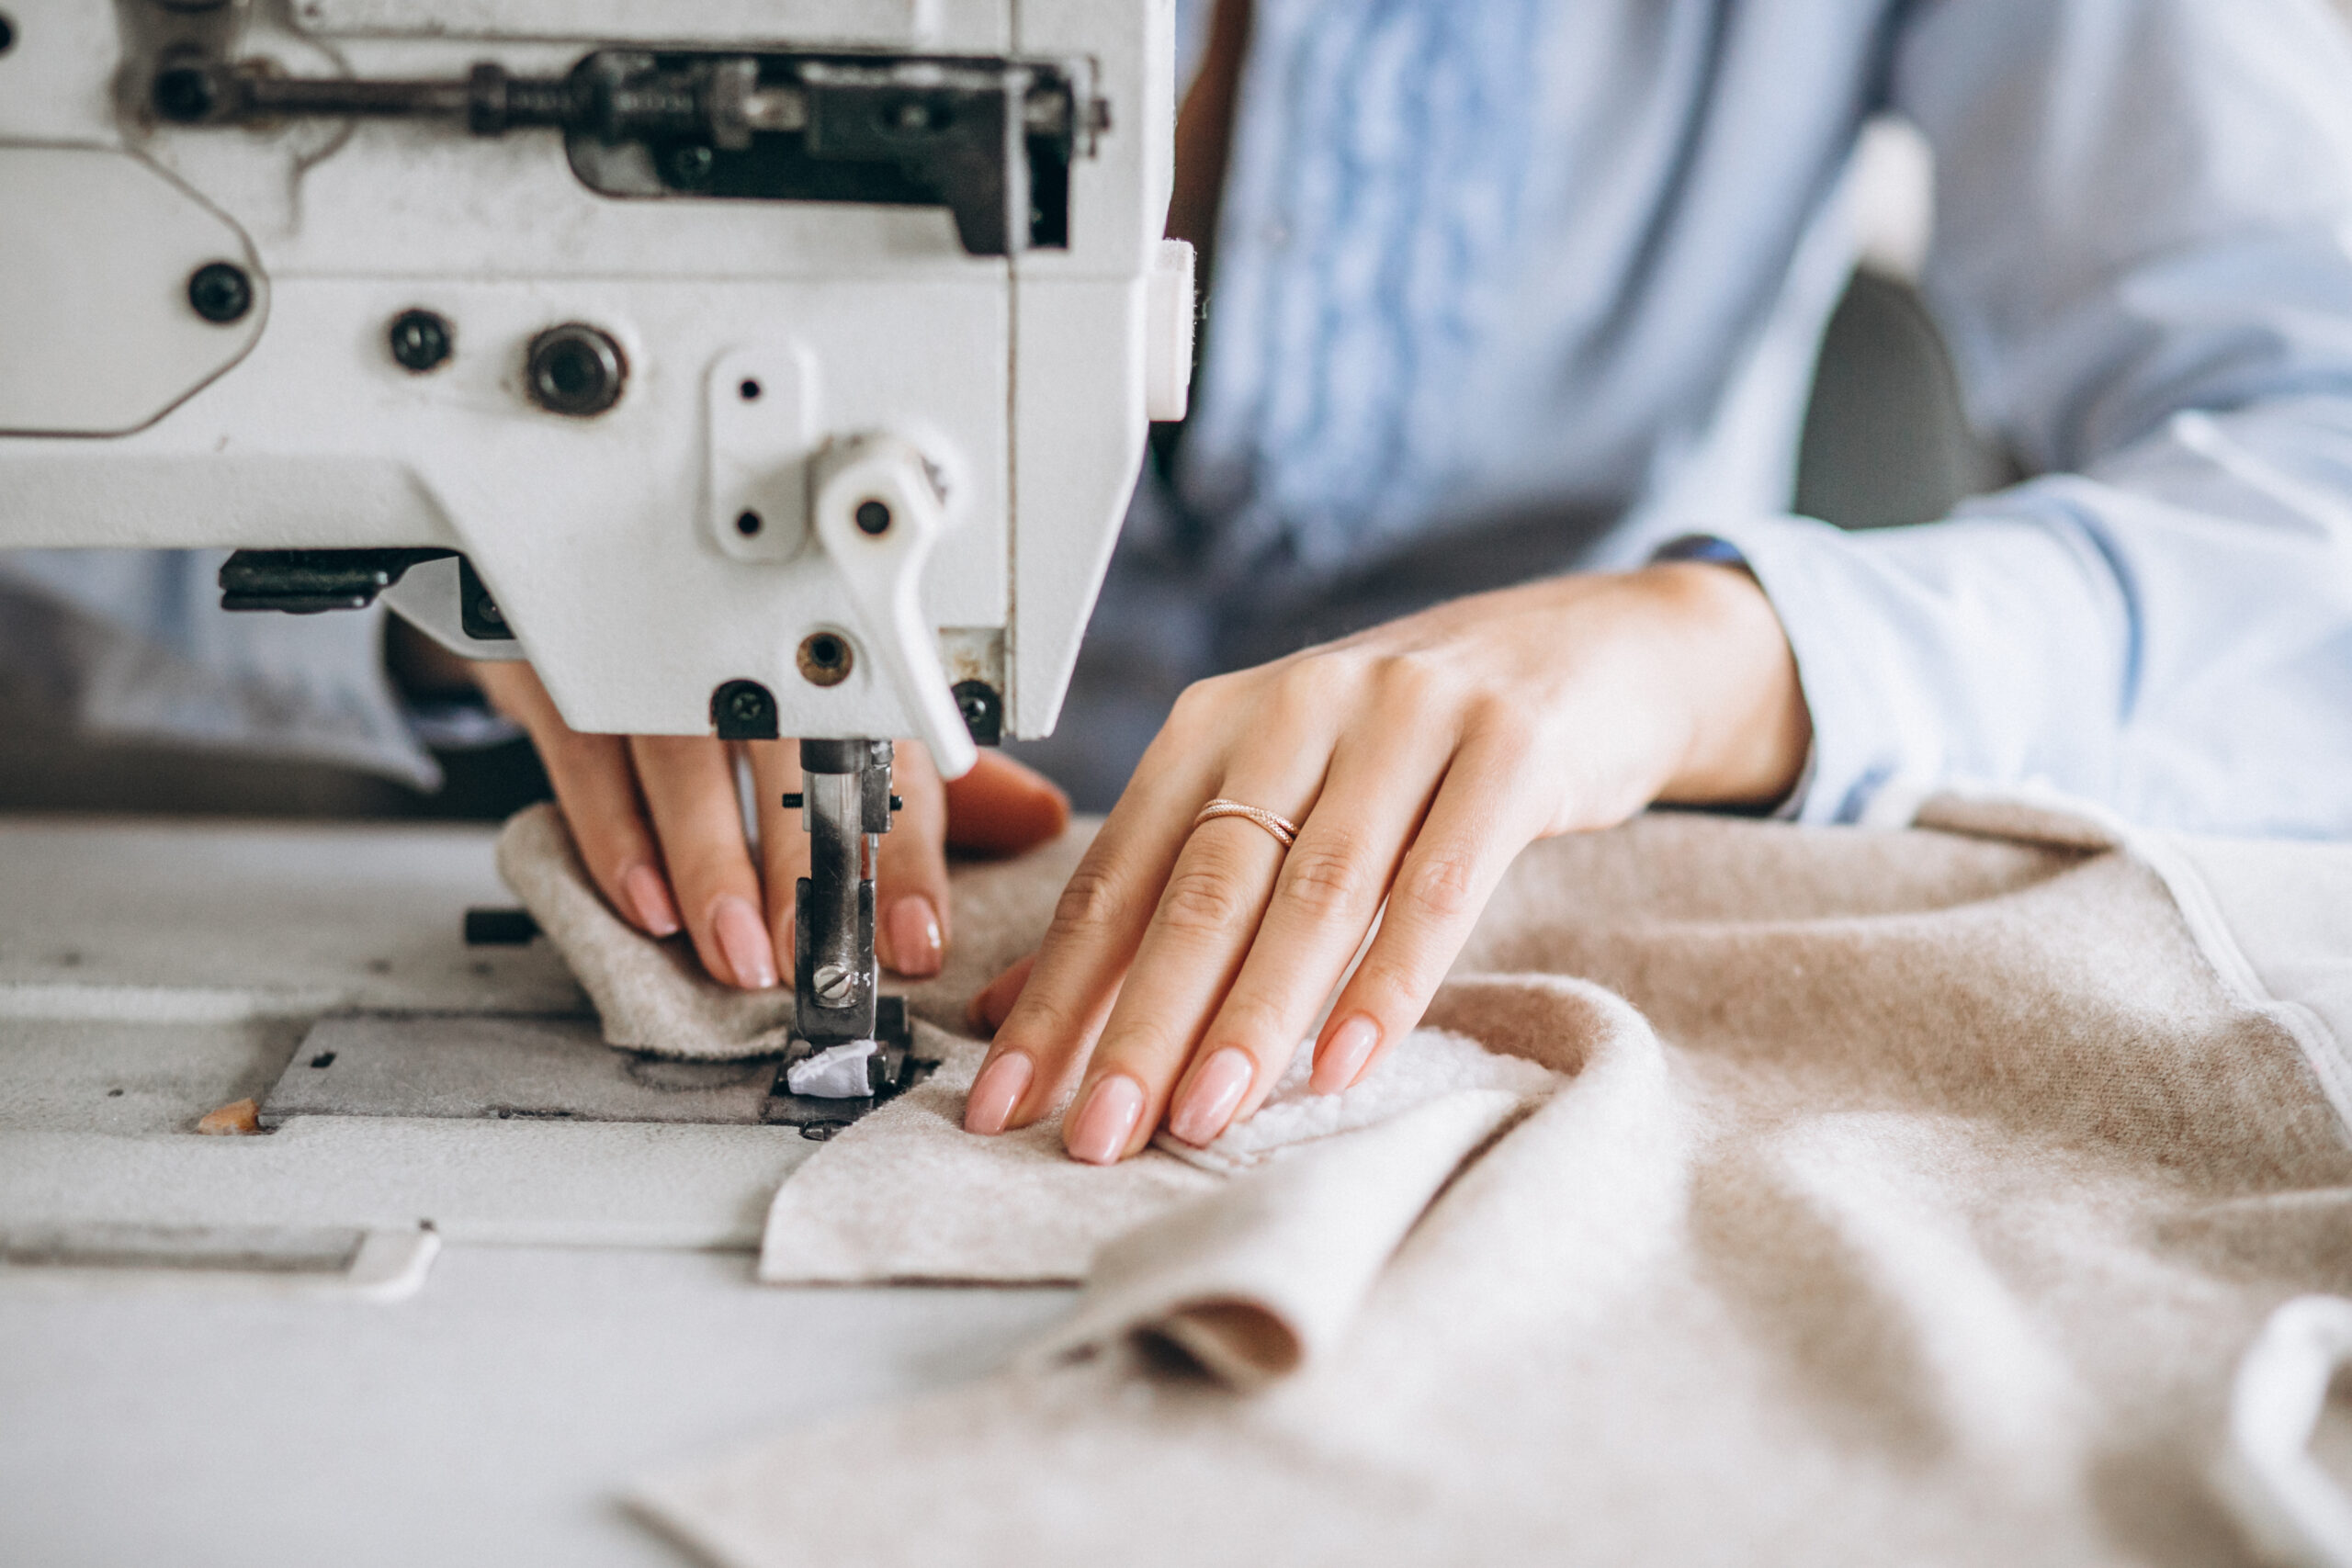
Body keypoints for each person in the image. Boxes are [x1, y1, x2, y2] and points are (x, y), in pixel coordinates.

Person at [471, 0, 2352, 1166]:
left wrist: (1713, 652)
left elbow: (2313, 457)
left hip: (1583, 900)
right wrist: (499, 530)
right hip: (499, 834)